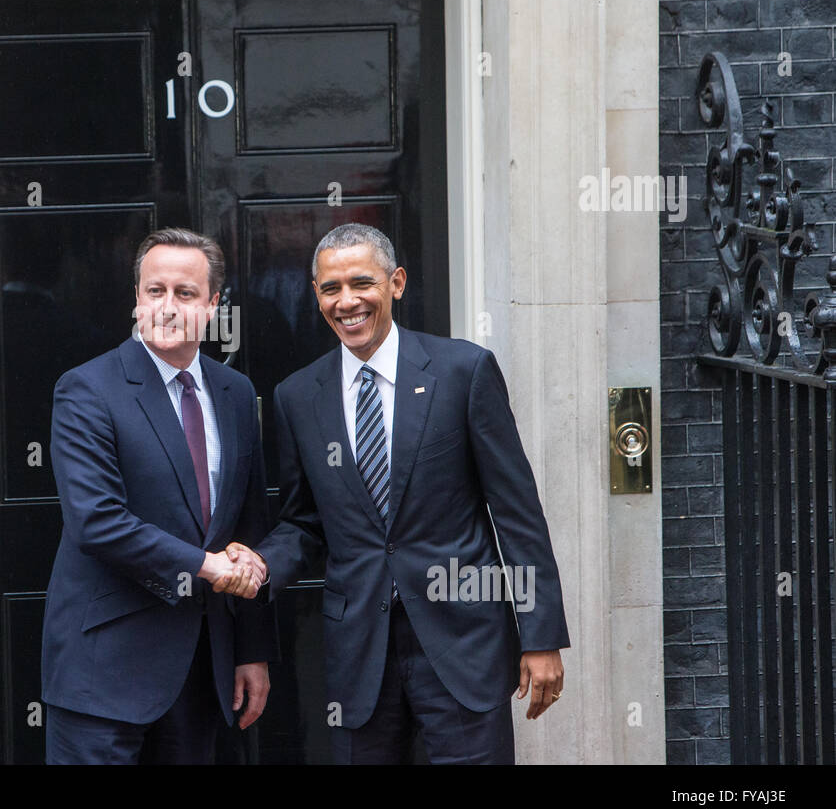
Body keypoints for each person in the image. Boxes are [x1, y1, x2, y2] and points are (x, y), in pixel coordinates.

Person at [235, 222, 570, 764]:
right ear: (316, 294)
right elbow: (305, 522)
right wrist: (261, 565)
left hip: (463, 644)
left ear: (397, 282)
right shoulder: (298, 396)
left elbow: (517, 515)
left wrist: (541, 636)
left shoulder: (463, 371)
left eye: (361, 283)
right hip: (359, 655)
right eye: (330, 288)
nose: (347, 302)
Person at [42, 227, 276, 764]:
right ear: (138, 299)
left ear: (213, 305)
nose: (168, 307)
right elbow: (97, 521)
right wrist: (210, 568)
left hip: (201, 671)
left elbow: (251, 525)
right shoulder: (86, 389)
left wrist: (252, 651)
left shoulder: (236, 394)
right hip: (102, 671)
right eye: (155, 291)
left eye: (186, 294)